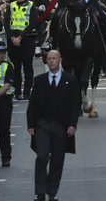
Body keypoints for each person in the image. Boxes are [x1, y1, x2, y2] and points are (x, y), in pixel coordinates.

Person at [26, 50, 81, 201]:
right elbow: (32, 104)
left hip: (61, 126)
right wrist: (31, 124)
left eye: (54, 59)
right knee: (42, 156)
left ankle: (52, 192)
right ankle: (40, 192)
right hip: (42, 124)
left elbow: (75, 105)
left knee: (57, 159)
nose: (51, 61)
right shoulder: (40, 80)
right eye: (49, 59)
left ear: (60, 60)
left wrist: (72, 125)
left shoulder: (70, 80)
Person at [4, 0, 38, 100]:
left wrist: (21, 37)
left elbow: (33, 23)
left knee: (27, 67)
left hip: (27, 39)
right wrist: (12, 38)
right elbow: (6, 23)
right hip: (13, 40)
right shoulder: (11, 6)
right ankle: (17, 92)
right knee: (15, 67)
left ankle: (27, 92)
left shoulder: (31, 5)